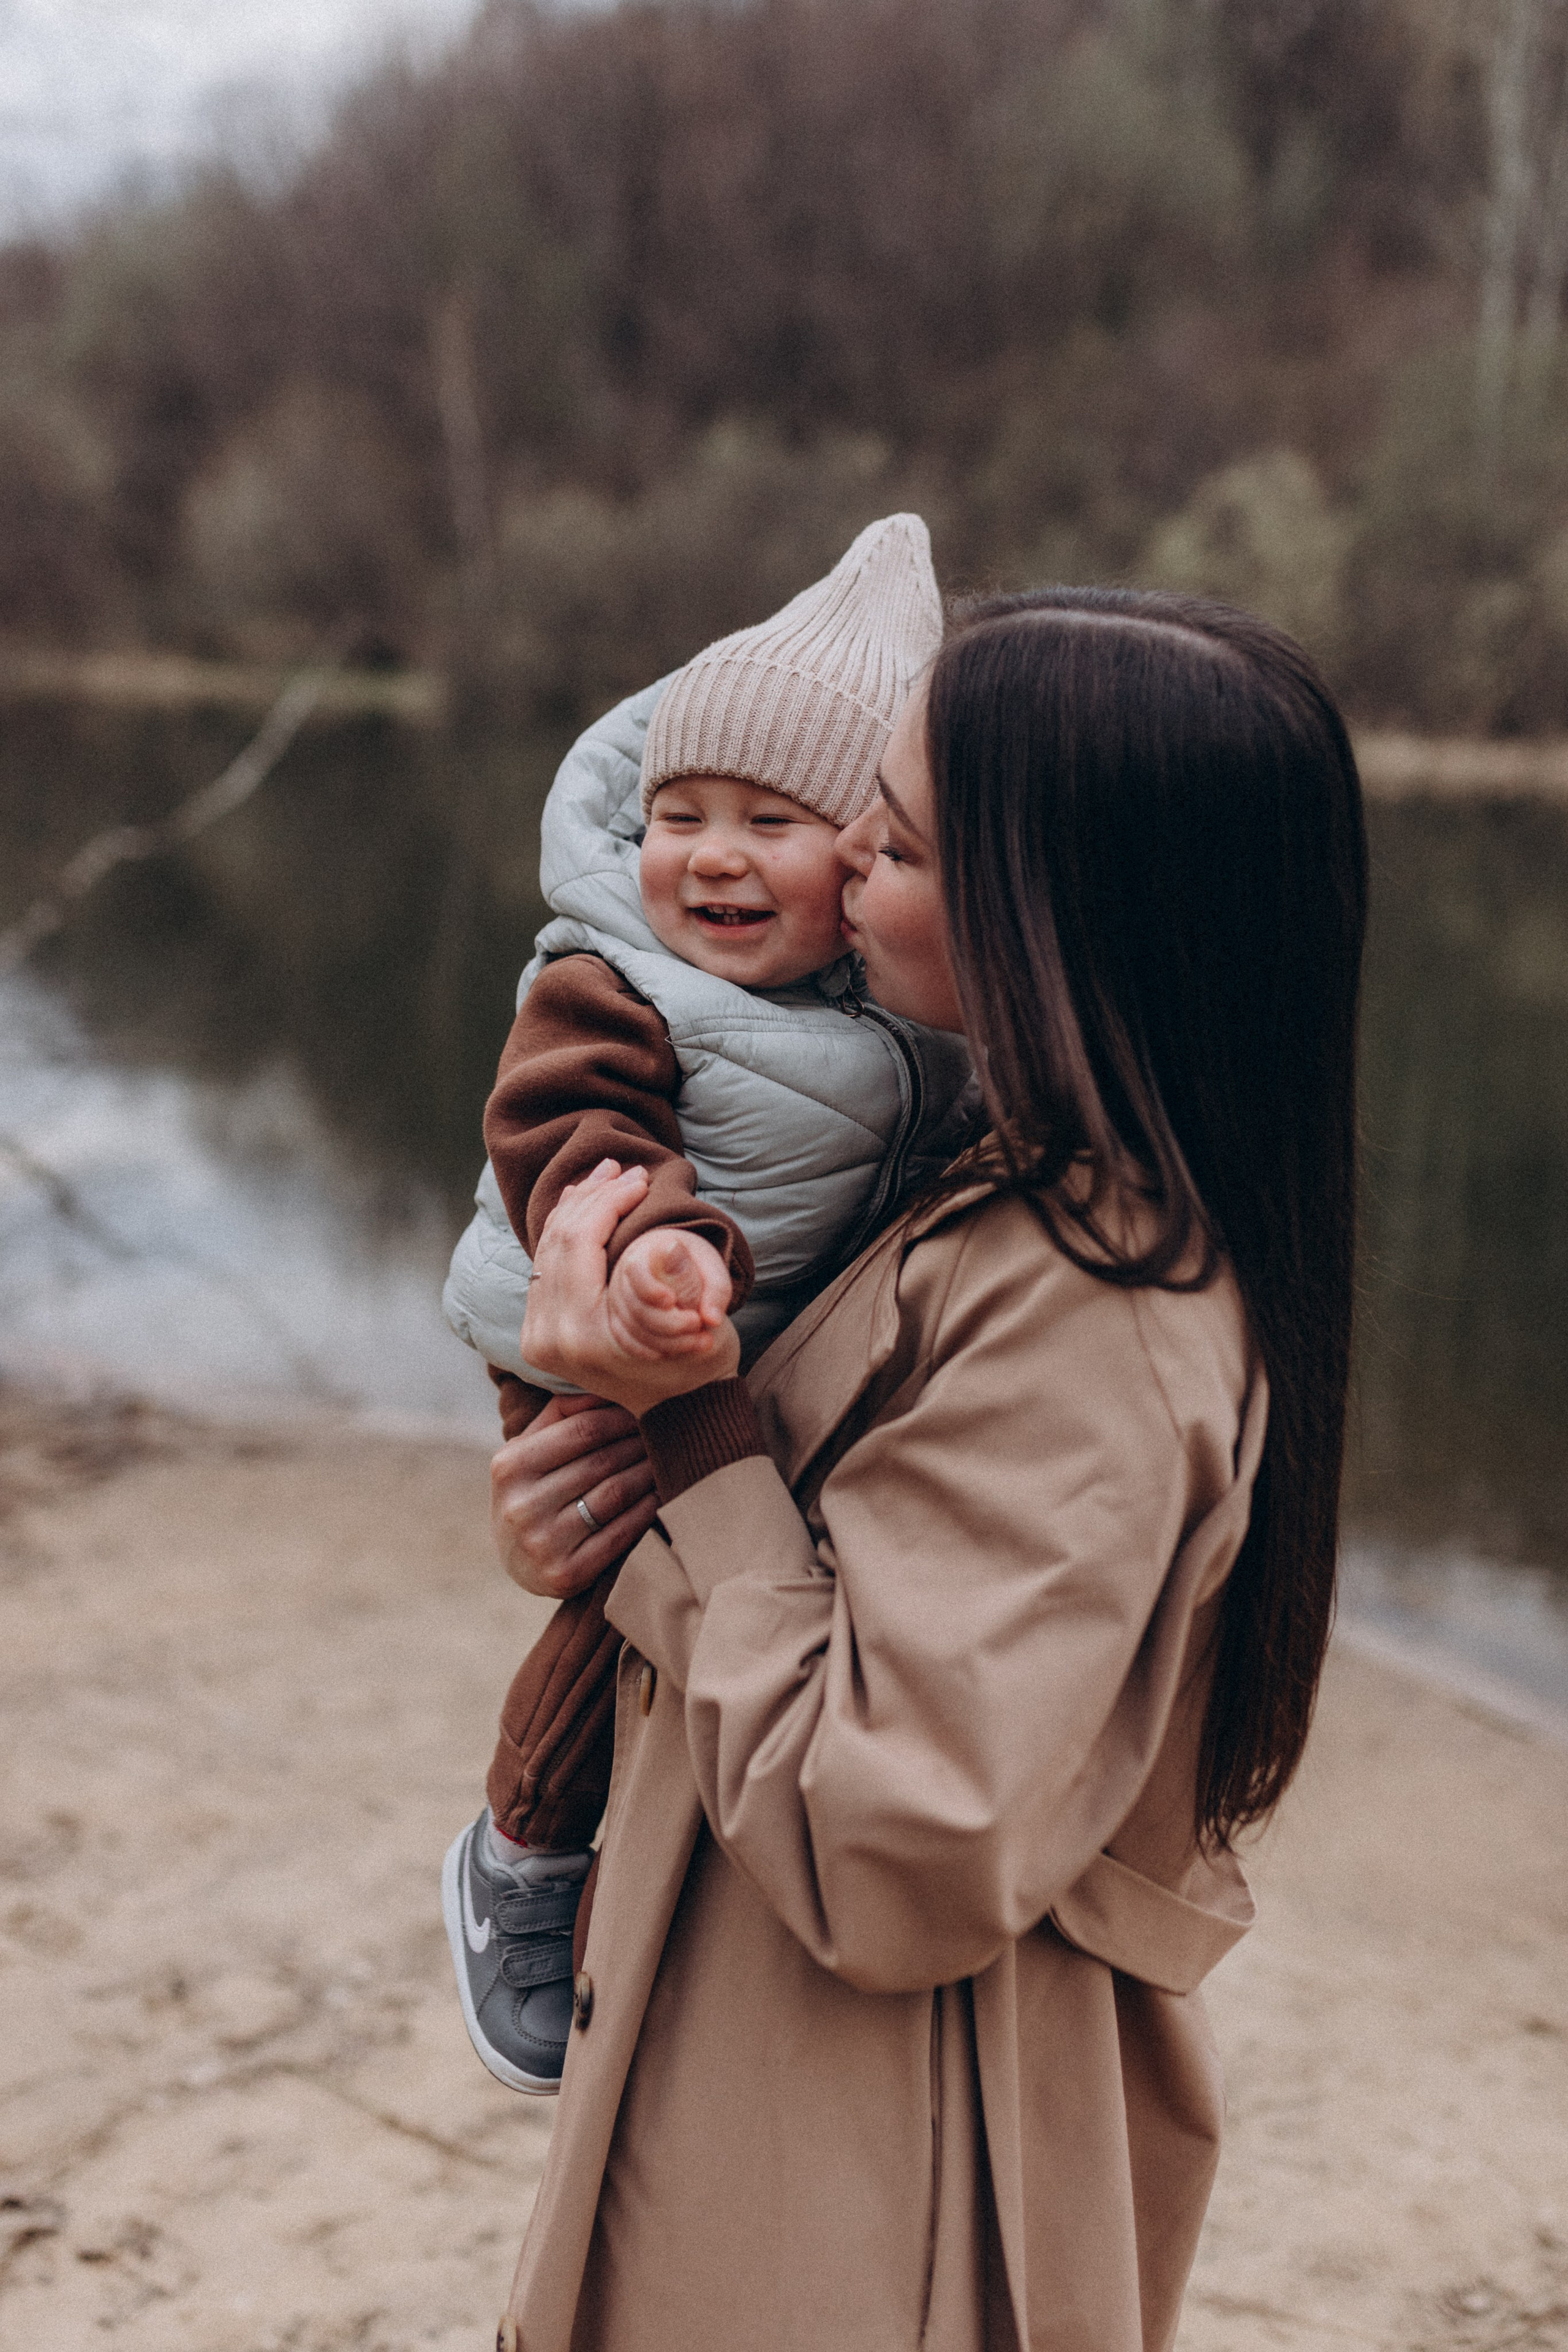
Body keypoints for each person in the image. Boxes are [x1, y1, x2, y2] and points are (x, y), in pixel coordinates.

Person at [486, 587, 1366, 2352]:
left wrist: (681, 1428)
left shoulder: (1103, 1311)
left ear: (1060, 916)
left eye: (890, 841)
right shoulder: (992, 1180)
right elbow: (812, 1558)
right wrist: (592, 1508)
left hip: (863, 2163)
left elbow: (894, 1841)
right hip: (774, 2075)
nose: (838, 877)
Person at [440, 516, 972, 2095]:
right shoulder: (617, 978)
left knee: (684, 1581)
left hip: (707, 1342)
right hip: (589, 1319)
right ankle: (525, 1850)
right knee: (625, 1583)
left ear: (865, 858)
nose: (710, 855)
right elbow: (569, 1127)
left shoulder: (881, 1016)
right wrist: (653, 1242)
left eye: (768, 821)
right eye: (677, 813)